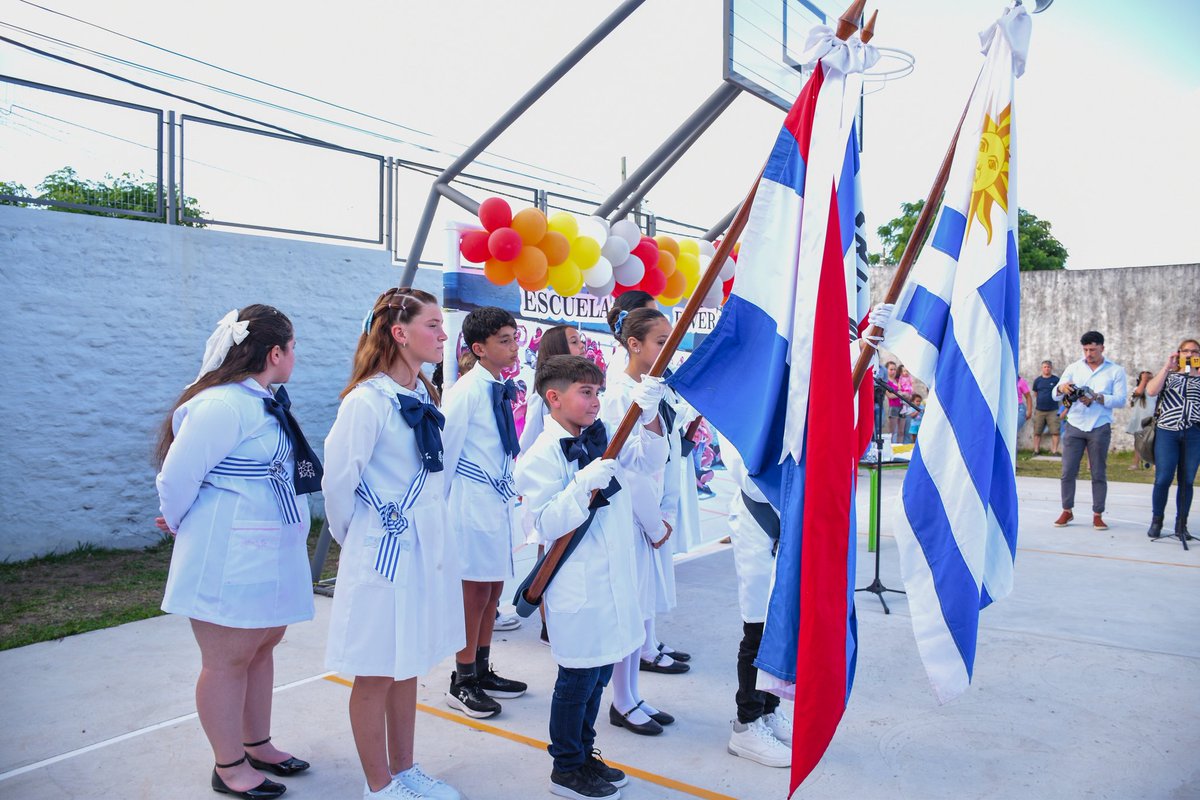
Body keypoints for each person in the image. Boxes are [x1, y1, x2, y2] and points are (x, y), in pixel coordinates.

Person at [155, 305, 321, 800]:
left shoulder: (261, 402)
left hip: (267, 548)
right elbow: (176, 477)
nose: (296, 356)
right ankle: (228, 766)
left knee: (262, 646)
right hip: (228, 552)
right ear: (275, 352)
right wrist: (184, 525)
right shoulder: (222, 404)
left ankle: (257, 742)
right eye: (293, 347)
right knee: (227, 659)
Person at [323, 288, 463, 800]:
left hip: (421, 549)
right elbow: (338, 483)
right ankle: (378, 785)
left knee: (407, 662)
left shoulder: (423, 395)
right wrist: (366, 535)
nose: (443, 334)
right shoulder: (366, 401)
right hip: (383, 552)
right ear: (400, 333)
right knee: (376, 668)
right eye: (432, 325)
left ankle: (405, 769)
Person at [515, 355, 669, 799]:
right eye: (586, 392)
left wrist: (653, 414)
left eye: (599, 392)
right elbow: (543, 525)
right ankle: (565, 767)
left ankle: (584, 753)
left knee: (601, 673)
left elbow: (653, 456)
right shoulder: (540, 456)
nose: (596, 401)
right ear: (554, 396)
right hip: (578, 587)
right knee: (576, 679)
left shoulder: (605, 437)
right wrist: (583, 484)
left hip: (613, 582)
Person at [600, 308, 684, 737]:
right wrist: (654, 524)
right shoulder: (619, 394)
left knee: (642, 611)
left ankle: (632, 694)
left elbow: (660, 457)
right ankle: (620, 699)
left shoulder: (650, 390)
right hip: (631, 516)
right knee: (630, 611)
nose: (668, 348)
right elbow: (629, 470)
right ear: (634, 345)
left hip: (649, 514)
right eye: (659, 340)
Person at [441, 306, 528, 718]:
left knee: (492, 590)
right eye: (504, 341)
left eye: (514, 338)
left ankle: (481, 664)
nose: (513, 347)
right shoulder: (466, 392)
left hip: (495, 502)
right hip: (469, 503)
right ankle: (462, 679)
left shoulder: (497, 385)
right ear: (479, 348)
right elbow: (446, 453)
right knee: (473, 593)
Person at [721, 443, 793, 769]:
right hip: (758, 517)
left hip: (789, 516)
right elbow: (748, 471)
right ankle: (746, 724)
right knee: (759, 627)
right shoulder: (749, 397)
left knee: (782, 624)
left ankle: (768, 708)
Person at [1052, 331, 1128, 531]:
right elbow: (1055, 394)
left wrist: (1097, 397)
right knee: (1068, 471)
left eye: (1092, 349)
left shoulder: (1115, 371)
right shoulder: (1074, 367)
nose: (1088, 353)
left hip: (1099, 425)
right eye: (1085, 349)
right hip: (1075, 423)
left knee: (1098, 472)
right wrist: (1063, 388)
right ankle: (1067, 510)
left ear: (1102, 347)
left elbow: (1120, 400)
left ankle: (1098, 514)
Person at [1144, 339, 1200, 539]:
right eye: (1186, 351)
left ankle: (1181, 524)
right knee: (1163, 478)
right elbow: (1150, 391)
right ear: (1179, 353)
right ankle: (1157, 520)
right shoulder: (1170, 375)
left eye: (1195, 352)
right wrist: (1167, 367)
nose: (1190, 355)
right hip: (1167, 432)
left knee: (1186, 480)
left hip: (1194, 433)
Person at [519, 324, 586, 452]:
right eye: (574, 342)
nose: (582, 345)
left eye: (580, 340)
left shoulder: (583, 393)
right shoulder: (541, 401)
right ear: (559, 349)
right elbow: (528, 447)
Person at [1126, 371, 1158, 470]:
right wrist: (1143, 381)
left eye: (1150, 379)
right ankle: (1135, 463)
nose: (1148, 381)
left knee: (1154, 443)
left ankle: (1154, 464)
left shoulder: (1156, 391)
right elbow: (1138, 393)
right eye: (1145, 379)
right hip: (1140, 420)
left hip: (1152, 420)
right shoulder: (1138, 390)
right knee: (1139, 444)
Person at [1031, 360, 1061, 456]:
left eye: (1048, 367)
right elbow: (1035, 393)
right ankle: (1036, 451)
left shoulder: (1056, 380)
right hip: (1040, 410)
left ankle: (1054, 451)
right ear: (1042, 368)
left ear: (1051, 368)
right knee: (1037, 432)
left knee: (1055, 432)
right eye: (1045, 367)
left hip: (1053, 410)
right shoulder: (1038, 381)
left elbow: (1060, 392)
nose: (1046, 369)